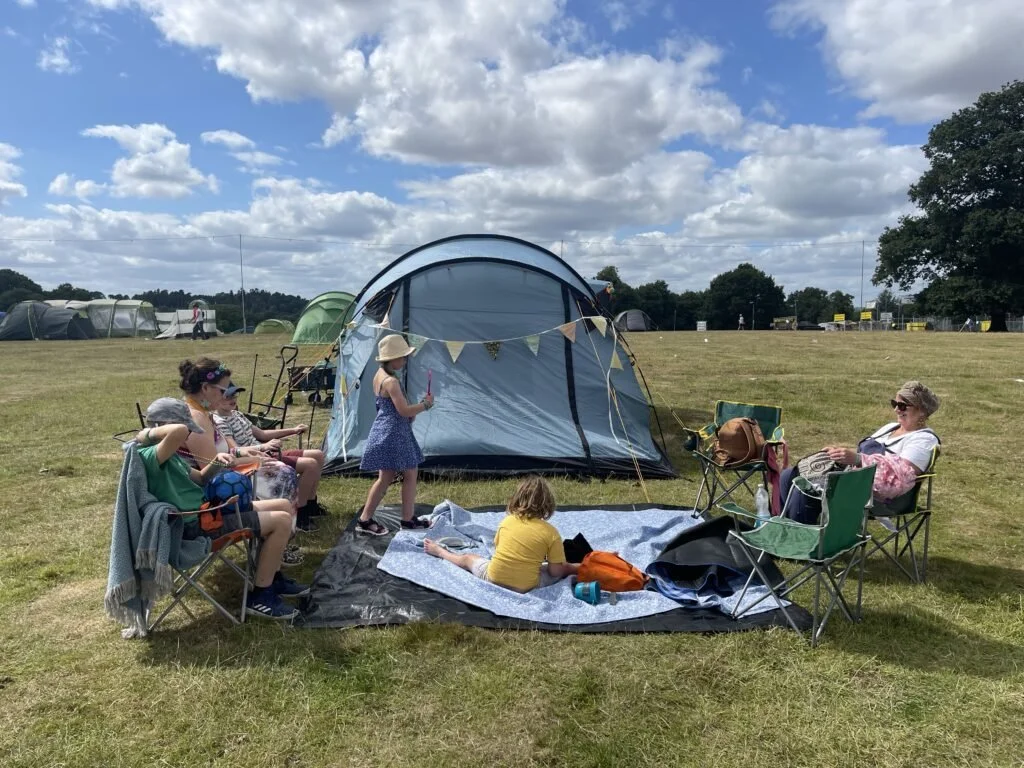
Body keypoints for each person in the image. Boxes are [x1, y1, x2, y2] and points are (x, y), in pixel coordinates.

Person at [135, 397, 307, 621]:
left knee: (283, 505)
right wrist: (144, 433)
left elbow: (199, 478)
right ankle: (261, 598)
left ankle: (272, 577)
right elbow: (176, 431)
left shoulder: (172, 457)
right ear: (162, 427)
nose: (187, 435)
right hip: (194, 526)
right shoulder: (149, 455)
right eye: (187, 429)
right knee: (281, 521)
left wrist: (217, 461)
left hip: (207, 513)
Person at [177, 358, 303, 564]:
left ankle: (276, 545)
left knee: (282, 472)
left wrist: (254, 455)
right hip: (216, 497)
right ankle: (274, 545)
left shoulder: (203, 413)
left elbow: (229, 450)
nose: (227, 395)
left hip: (227, 480)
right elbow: (211, 469)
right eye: (223, 390)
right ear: (206, 388)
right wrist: (252, 461)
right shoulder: (196, 418)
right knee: (282, 476)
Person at [781, 381, 941, 523]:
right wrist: (839, 454)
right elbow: (863, 455)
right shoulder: (890, 427)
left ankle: (801, 543)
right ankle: (781, 530)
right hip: (854, 480)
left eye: (902, 406)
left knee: (804, 487)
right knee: (788, 475)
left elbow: (900, 476)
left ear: (922, 411)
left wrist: (858, 459)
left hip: (879, 498)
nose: (896, 410)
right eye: (895, 404)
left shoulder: (923, 440)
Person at [423, 476, 579, 592]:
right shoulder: (551, 533)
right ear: (549, 504)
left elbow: (498, 549)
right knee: (558, 567)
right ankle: (582, 568)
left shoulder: (507, 522)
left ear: (517, 498)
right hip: (527, 586)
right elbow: (555, 572)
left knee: (467, 558)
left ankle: (440, 552)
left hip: (493, 578)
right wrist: (567, 567)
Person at [212, 382, 327, 530]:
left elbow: (262, 434)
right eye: (227, 396)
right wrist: (262, 446)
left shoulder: (237, 414)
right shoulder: (220, 422)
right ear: (216, 398)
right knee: (310, 465)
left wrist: (293, 430)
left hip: (265, 451)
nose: (232, 399)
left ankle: (311, 505)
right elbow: (235, 449)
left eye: (234, 394)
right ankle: (301, 515)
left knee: (318, 455)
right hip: (255, 458)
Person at [354, 334, 434, 536]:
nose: (405, 360)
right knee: (409, 473)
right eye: (402, 357)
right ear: (392, 359)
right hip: (393, 433)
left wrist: (410, 413)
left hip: (387, 430)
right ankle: (405, 520)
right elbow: (404, 411)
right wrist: (425, 405)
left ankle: (366, 519)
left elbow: (394, 408)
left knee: (388, 476)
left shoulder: (379, 375)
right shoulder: (391, 381)